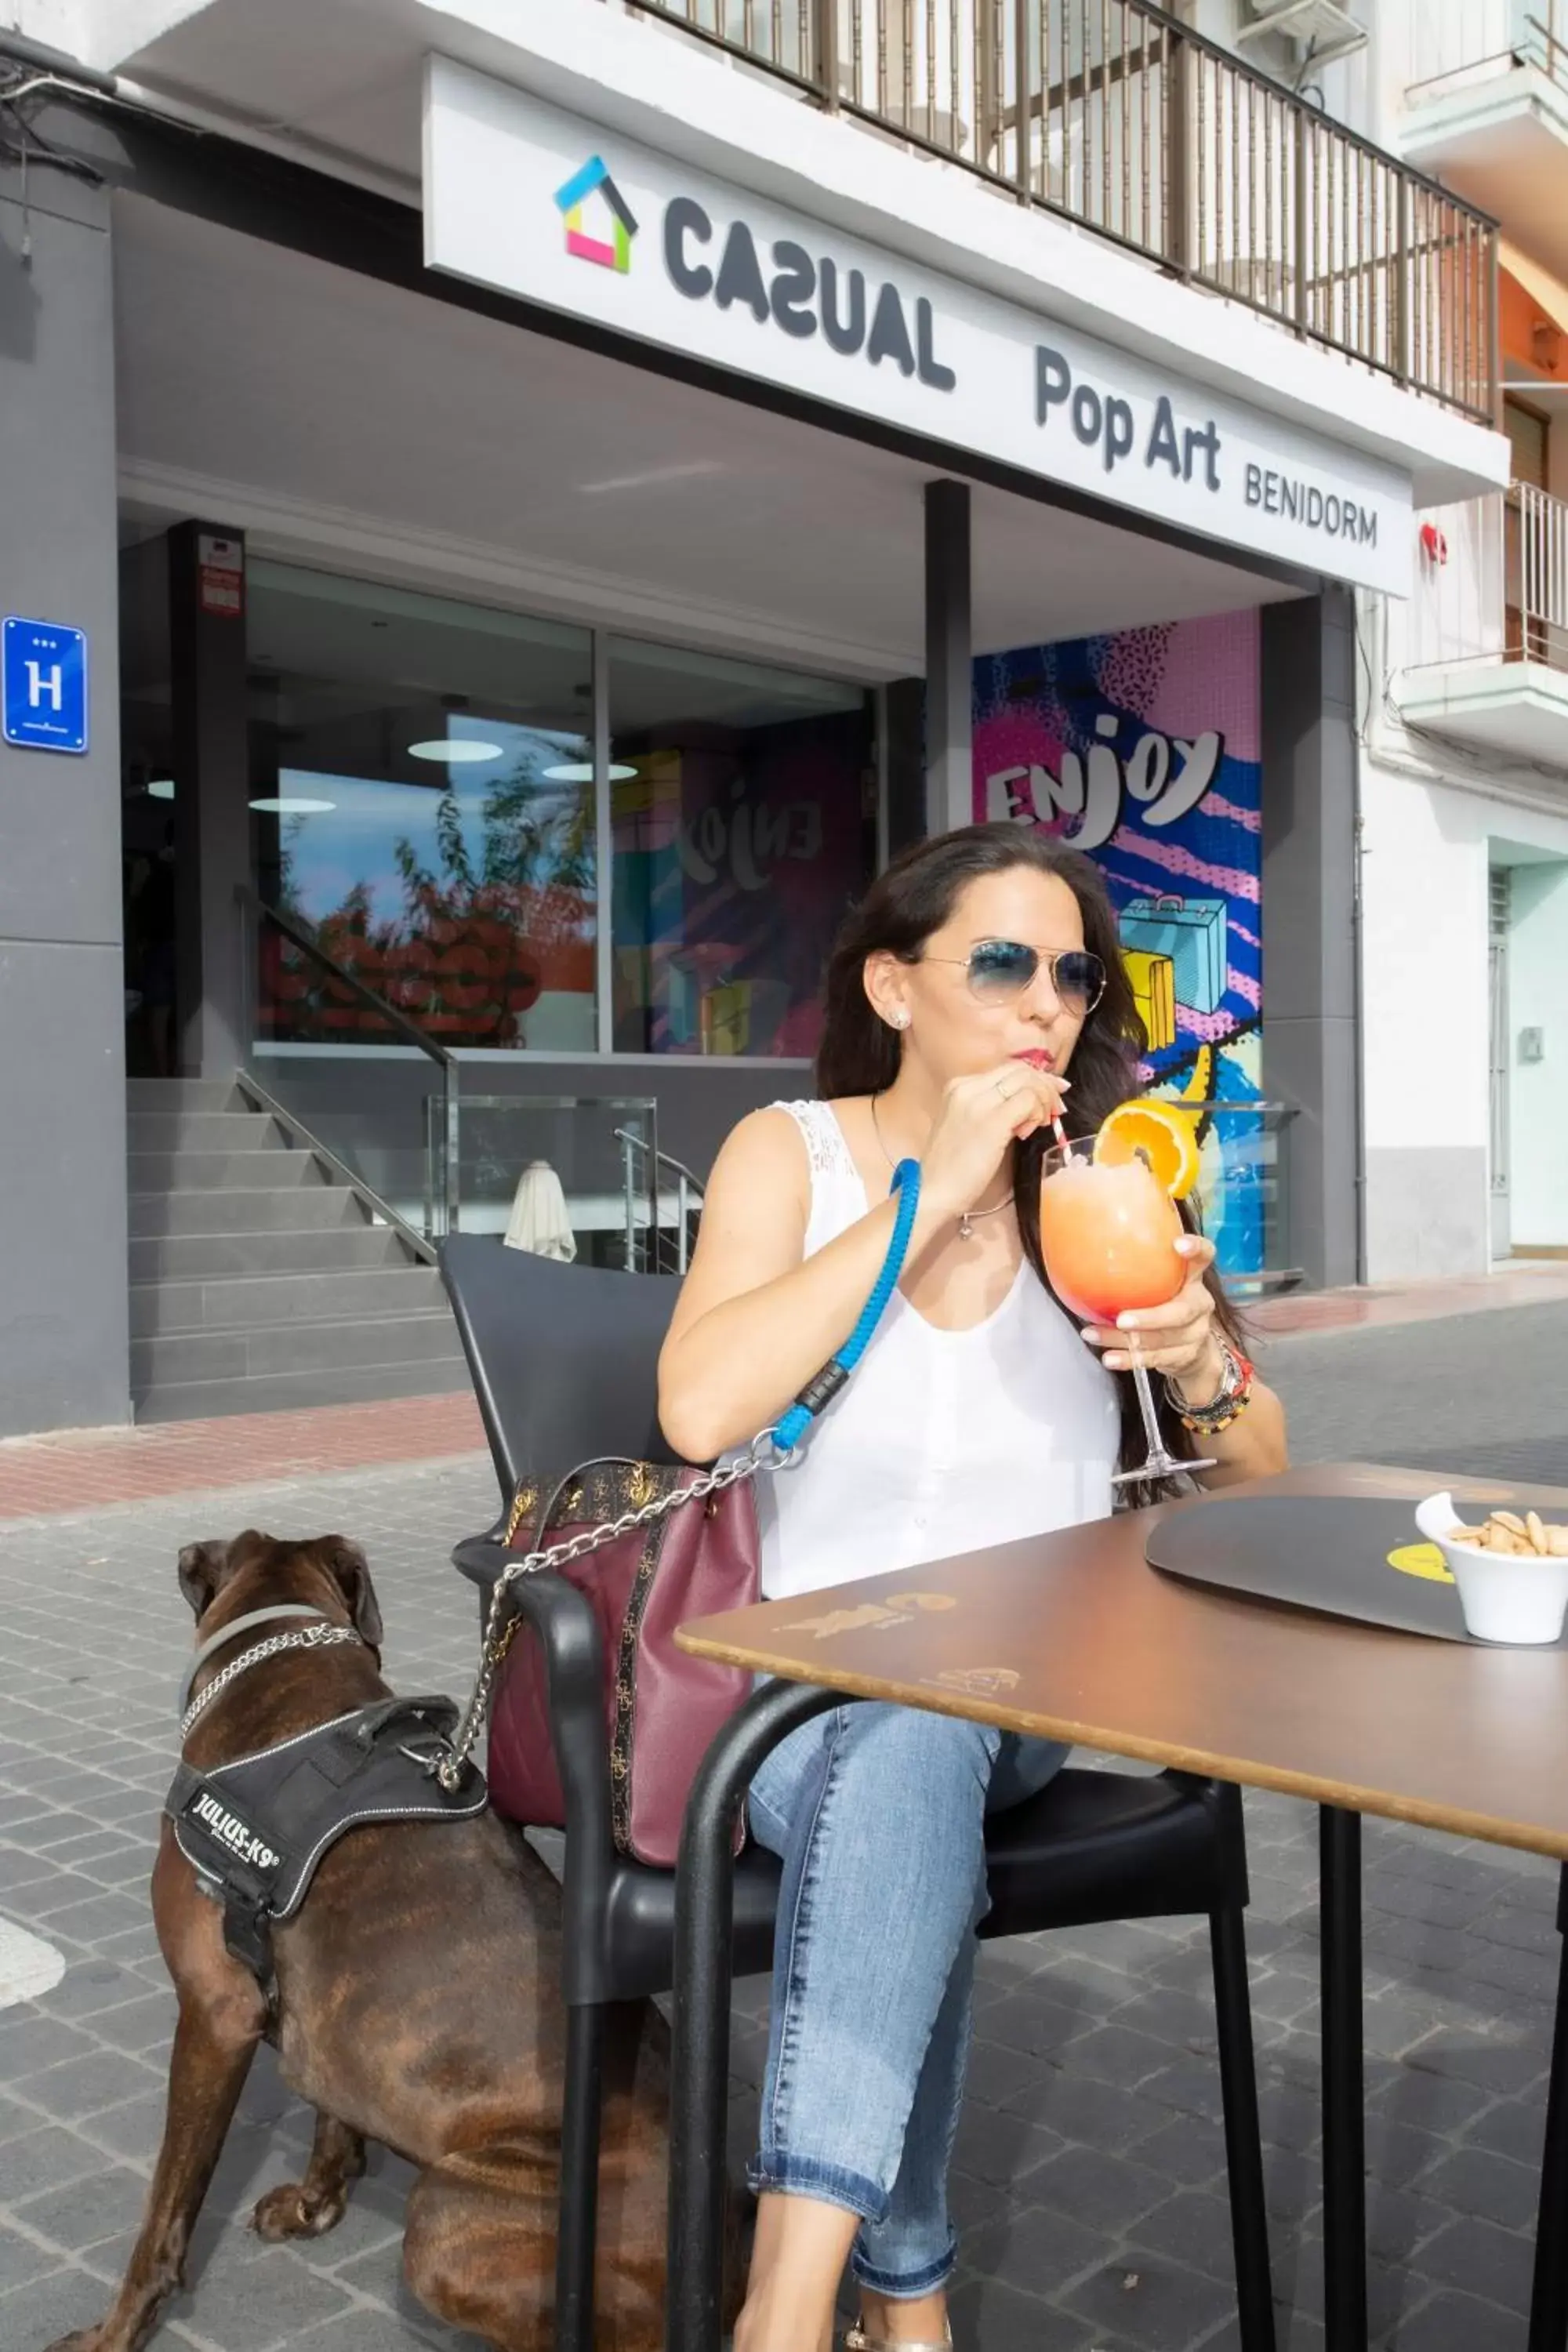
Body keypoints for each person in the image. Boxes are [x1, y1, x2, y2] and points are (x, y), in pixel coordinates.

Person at [658, 823, 1287, 2352]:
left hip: (1029, 1696)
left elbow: (1263, 1475)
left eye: (1073, 973)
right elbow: (696, 1411)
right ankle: (898, 2297)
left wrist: (1196, 1351)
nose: (1045, 1004)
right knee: (904, 1754)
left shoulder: (1101, 1190)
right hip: (792, 1705)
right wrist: (927, 1196)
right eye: (1001, 962)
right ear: (892, 983)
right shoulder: (790, 1157)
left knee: (933, 1736)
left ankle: (784, 2316)